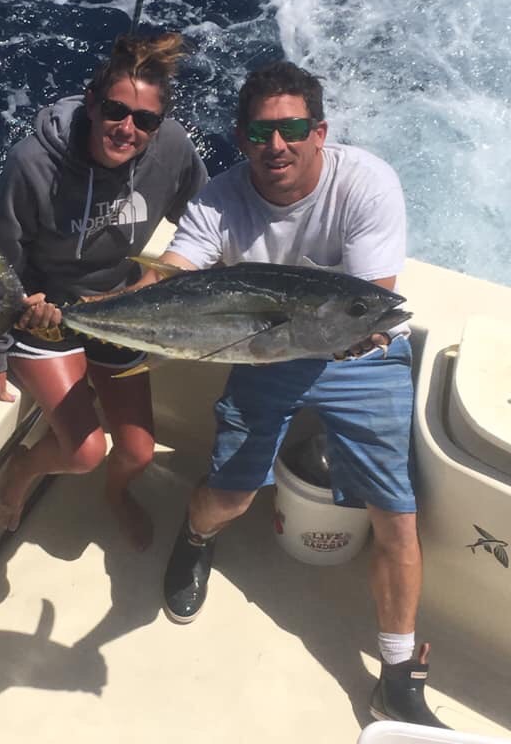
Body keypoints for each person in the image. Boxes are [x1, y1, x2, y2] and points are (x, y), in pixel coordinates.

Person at [140, 60, 445, 727]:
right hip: (265, 349)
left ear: (319, 131)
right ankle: (196, 539)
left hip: (359, 348)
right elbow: (174, 270)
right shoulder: (221, 197)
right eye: (260, 132)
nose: (276, 145)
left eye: (292, 129)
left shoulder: (365, 184)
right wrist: (111, 304)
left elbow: (369, 307)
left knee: (396, 517)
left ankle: (396, 675)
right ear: (242, 138)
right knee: (229, 495)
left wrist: (324, 331)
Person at [0, 33, 208, 551]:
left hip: (121, 307)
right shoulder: (33, 163)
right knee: (86, 451)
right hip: (43, 315)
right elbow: (1, 262)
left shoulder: (174, 149)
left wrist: (174, 276)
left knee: (137, 453)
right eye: (116, 109)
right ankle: (24, 469)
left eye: (145, 120)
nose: (127, 127)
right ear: (92, 103)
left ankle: (115, 496)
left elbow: (206, 221)